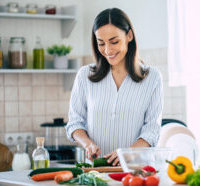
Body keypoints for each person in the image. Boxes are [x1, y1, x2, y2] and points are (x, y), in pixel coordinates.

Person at [65, 8, 163, 166]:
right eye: (101, 43)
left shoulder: (152, 77)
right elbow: (75, 123)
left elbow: (152, 130)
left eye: (114, 41)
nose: (108, 50)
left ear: (129, 36)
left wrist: (127, 153)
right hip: (95, 171)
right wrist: (87, 144)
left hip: (136, 171)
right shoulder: (84, 76)